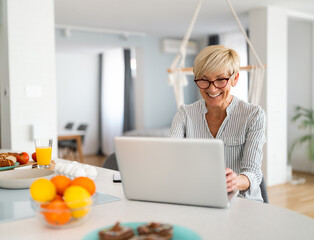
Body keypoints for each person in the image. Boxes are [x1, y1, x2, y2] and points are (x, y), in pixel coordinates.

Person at [169, 45, 266, 201]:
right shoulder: (184, 114)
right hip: (199, 198)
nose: (212, 89)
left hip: (243, 202)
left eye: (220, 80)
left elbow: (253, 173)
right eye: (204, 80)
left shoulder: (253, 115)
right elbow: (170, 158)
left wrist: (236, 181)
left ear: (235, 79)